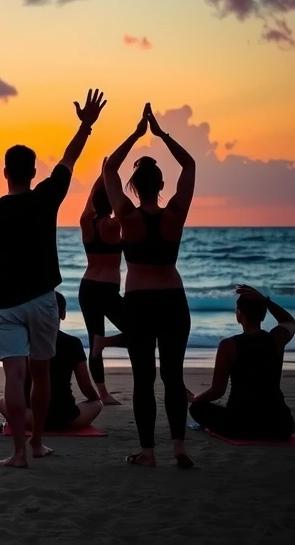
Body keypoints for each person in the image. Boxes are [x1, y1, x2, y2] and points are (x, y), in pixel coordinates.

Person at [0, 88, 106, 468]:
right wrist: (86, 125)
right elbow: (70, 158)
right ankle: (39, 443)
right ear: (34, 173)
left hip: (4, 303)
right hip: (42, 298)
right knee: (41, 373)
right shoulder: (46, 196)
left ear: (6, 173)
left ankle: (19, 452)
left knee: (15, 374)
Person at [104, 103, 196, 469]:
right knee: (174, 376)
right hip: (174, 300)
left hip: (140, 302)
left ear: (133, 187)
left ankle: (148, 453)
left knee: (144, 378)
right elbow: (189, 166)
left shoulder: (127, 216)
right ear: (161, 186)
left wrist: (137, 133)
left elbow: (110, 167)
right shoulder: (175, 214)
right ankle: (179, 449)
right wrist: (161, 134)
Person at [189, 285, 294, 441]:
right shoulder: (276, 339)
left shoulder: (228, 345)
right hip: (279, 425)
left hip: (241, 426)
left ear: (239, 314)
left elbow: (217, 391)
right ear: (264, 316)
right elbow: (289, 321)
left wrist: (195, 399)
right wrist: (266, 301)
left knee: (197, 408)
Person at [0, 292, 103, 432]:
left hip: (31, 418)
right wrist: (96, 397)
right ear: (63, 314)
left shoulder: (23, 341)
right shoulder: (73, 343)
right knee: (97, 404)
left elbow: (15, 381)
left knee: (1, 401)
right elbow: (85, 386)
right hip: (66, 418)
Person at [78, 162, 126, 404]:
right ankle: (106, 342)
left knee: (92, 338)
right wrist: (112, 179)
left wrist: (101, 174)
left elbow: (90, 200)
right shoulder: (113, 225)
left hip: (87, 288)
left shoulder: (86, 223)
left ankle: (103, 393)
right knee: (139, 329)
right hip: (107, 290)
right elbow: (125, 210)